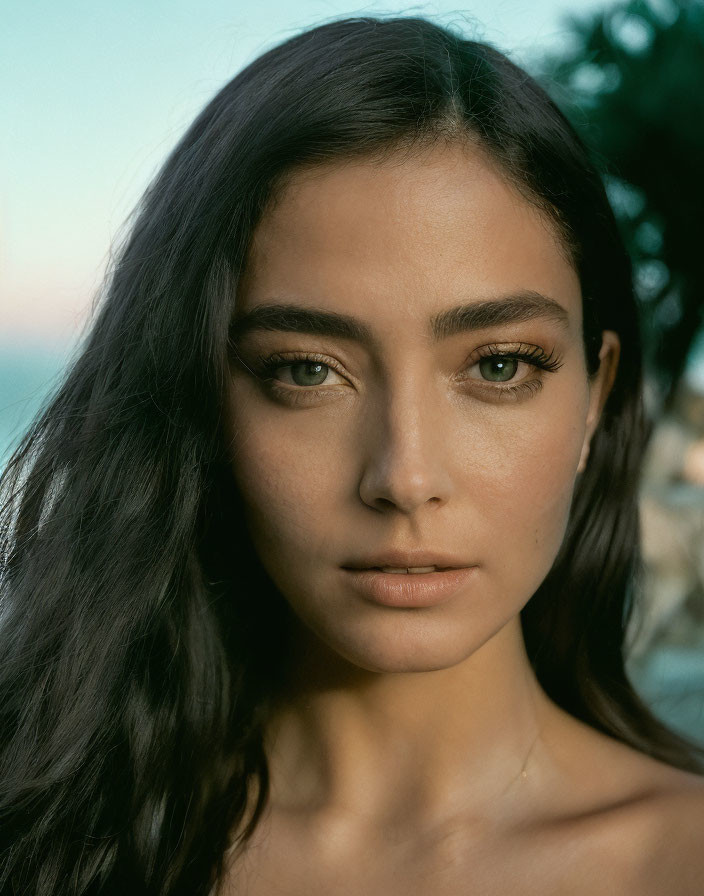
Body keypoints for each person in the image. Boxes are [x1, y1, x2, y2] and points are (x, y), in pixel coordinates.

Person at [1, 14, 703, 896]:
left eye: (497, 366)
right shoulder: (45, 835)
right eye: (305, 370)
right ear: (202, 401)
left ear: (596, 397)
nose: (404, 477)